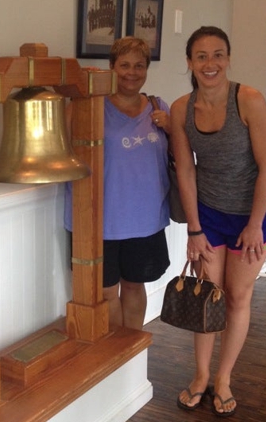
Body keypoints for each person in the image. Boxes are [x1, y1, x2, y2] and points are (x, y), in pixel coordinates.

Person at [170, 26, 266, 417]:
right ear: (189, 62)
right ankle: (200, 376)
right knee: (207, 297)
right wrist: (194, 229)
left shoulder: (248, 100)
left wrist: (254, 223)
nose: (209, 63)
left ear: (228, 59)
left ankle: (225, 378)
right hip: (209, 216)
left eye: (218, 55)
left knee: (236, 296)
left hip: (253, 216)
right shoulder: (182, 108)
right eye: (201, 56)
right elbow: (185, 170)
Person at [64, 36, 171, 331]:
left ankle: (131, 358)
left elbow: (182, 153)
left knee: (135, 287)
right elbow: (63, 145)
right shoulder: (87, 106)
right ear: (111, 67)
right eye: (124, 65)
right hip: (101, 220)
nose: (131, 72)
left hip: (145, 221)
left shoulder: (159, 107)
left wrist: (171, 128)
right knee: (106, 293)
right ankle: (116, 357)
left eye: (139, 65)